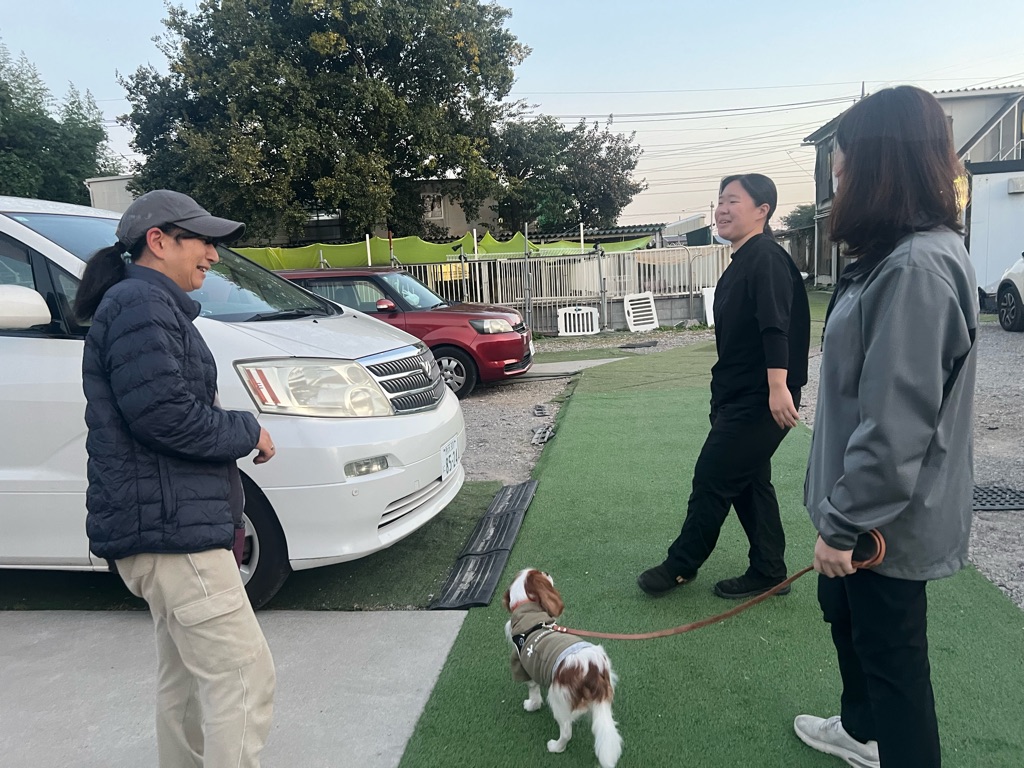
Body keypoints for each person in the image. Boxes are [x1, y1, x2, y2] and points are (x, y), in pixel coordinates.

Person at [794, 86, 978, 768]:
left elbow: (896, 424)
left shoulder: (915, 267)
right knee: (849, 622)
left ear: (877, 167)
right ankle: (859, 730)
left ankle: (883, 739)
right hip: (861, 511)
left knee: (894, 663)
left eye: (842, 164)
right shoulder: (890, 256)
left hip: (882, 523)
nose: (836, 179)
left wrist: (845, 523)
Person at [75, 190, 277, 768]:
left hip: (165, 532)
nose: (213, 255)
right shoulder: (140, 304)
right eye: (203, 242)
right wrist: (248, 430)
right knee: (244, 677)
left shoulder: (140, 303)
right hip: (174, 538)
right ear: (159, 241)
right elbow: (166, 416)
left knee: (186, 683)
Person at [637, 173, 811, 599]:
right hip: (737, 395)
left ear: (762, 210)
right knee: (750, 482)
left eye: (733, 200)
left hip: (760, 399)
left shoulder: (765, 256)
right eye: (720, 201)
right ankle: (769, 569)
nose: (722, 209)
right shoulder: (743, 259)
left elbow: (775, 325)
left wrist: (778, 386)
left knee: (712, 477)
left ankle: (682, 564)